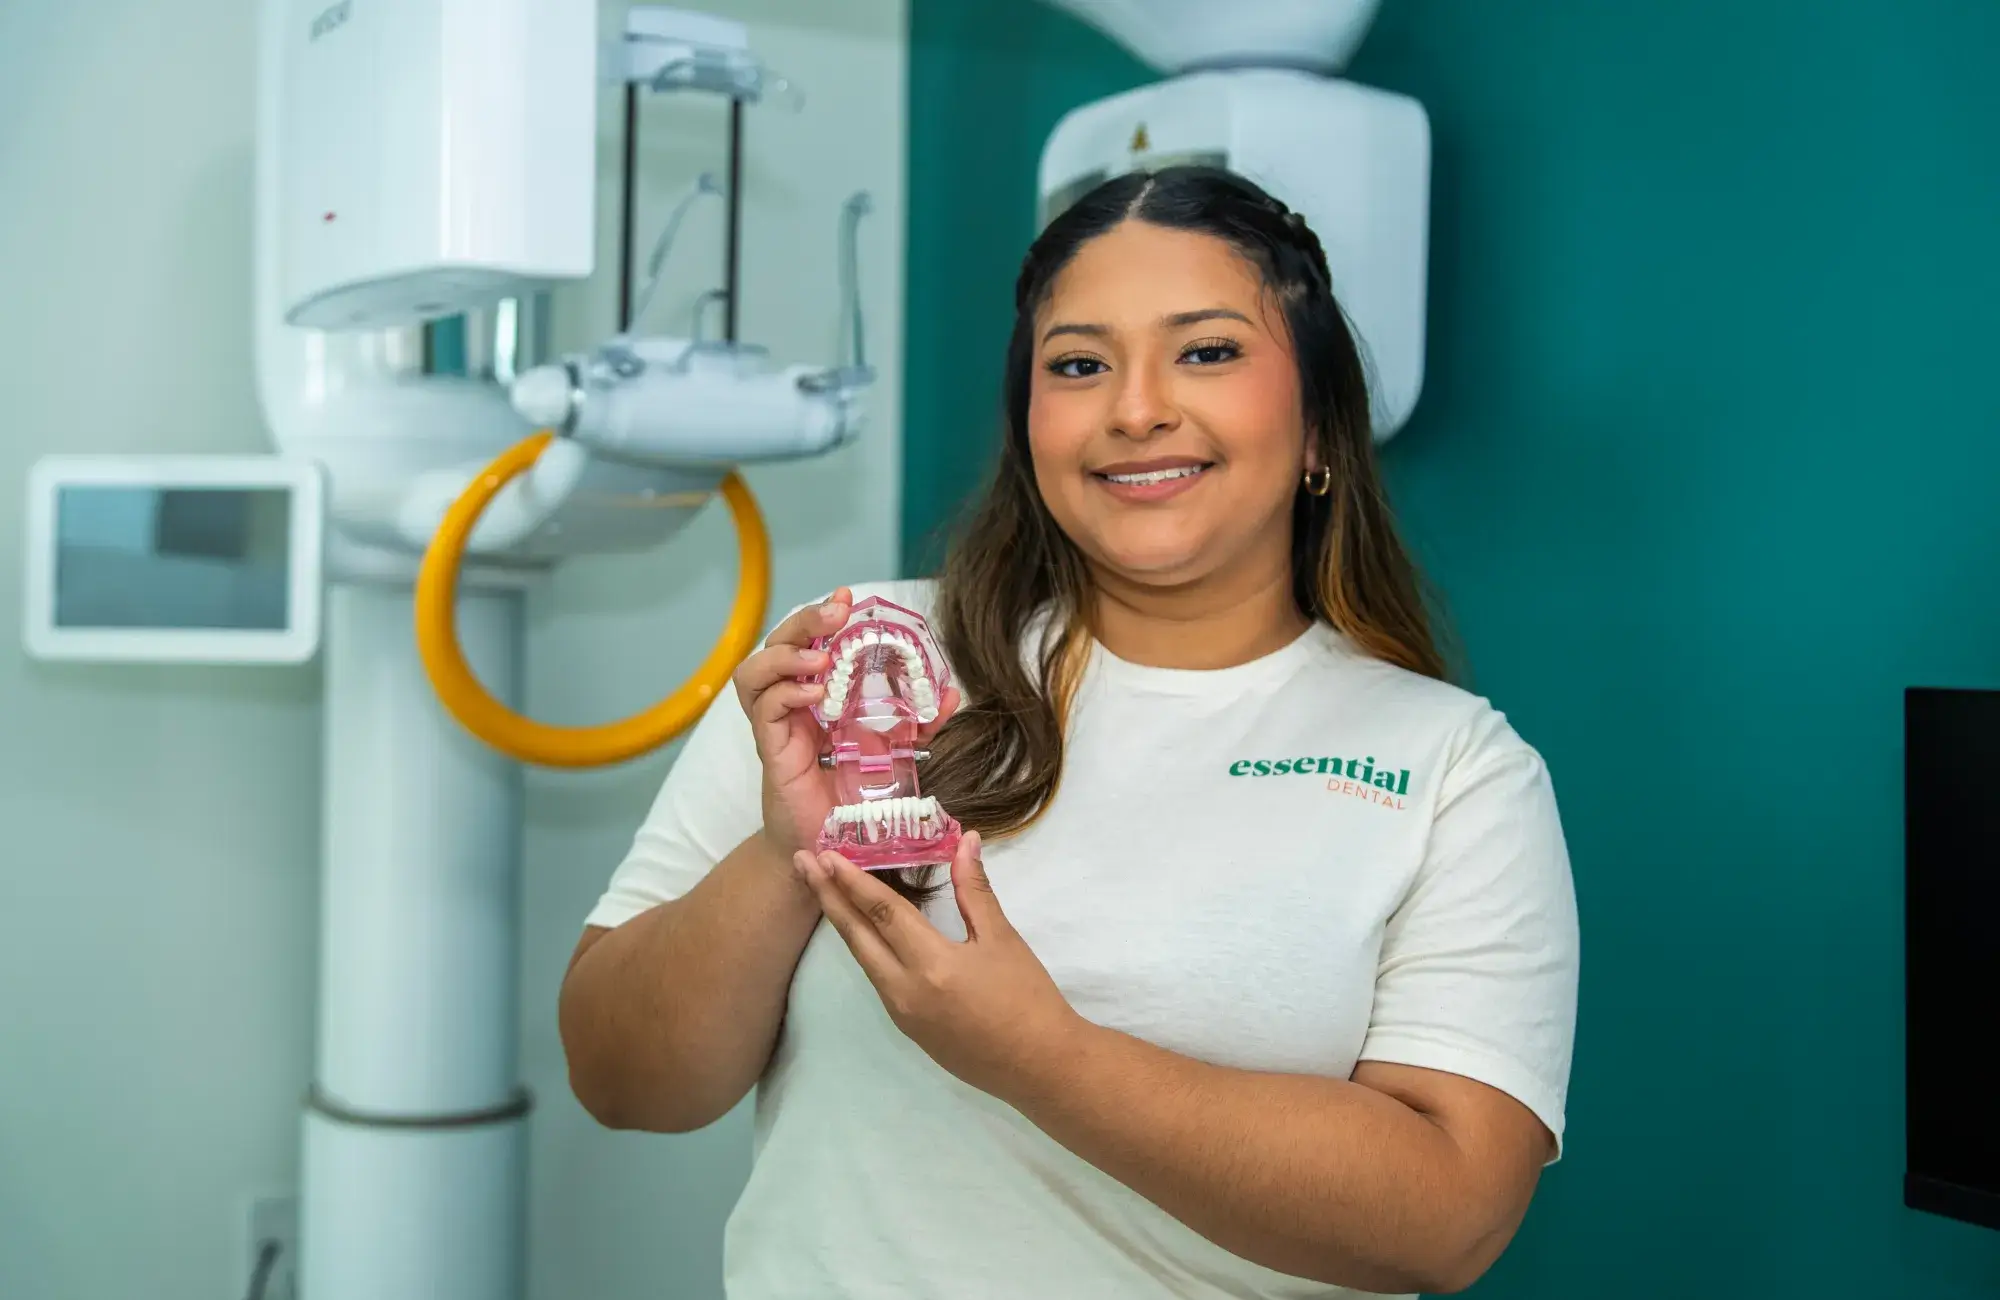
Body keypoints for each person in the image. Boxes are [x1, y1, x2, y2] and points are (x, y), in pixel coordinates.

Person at [557, 165, 1580, 1299]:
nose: (1133, 406)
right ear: (1030, 428)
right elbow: (621, 1080)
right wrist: (787, 856)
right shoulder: (862, 664)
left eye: (1204, 350)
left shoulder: (1451, 769)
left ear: (1316, 430)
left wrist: (1045, 1059)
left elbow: (1448, 1219)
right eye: (1079, 364)